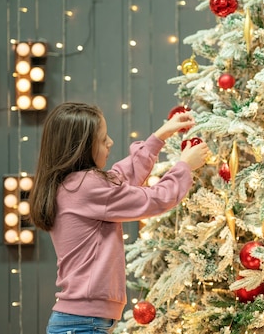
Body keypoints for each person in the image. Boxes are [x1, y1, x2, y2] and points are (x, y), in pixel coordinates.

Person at [29, 102, 209, 334]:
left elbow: (121, 177)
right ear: (81, 148)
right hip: (84, 324)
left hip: (81, 321)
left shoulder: (74, 185)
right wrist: (184, 166)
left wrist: (160, 135)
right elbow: (155, 198)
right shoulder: (86, 186)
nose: (110, 142)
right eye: (103, 140)